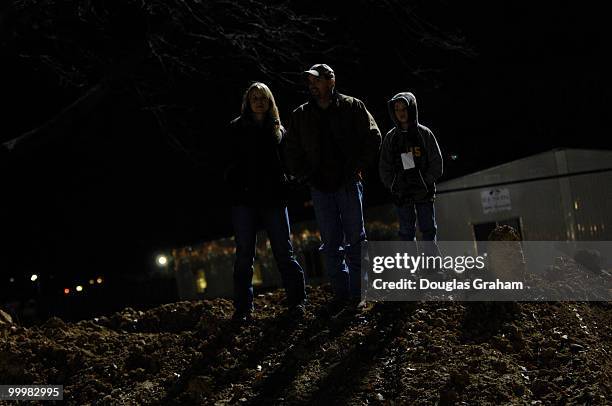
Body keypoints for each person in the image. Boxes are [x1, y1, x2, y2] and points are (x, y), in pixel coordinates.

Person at [285, 64, 381, 305]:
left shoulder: (352, 106)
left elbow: (373, 136)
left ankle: (359, 294)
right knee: (331, 244)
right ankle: (342, 294)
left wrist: (357, 166)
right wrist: (305, 174)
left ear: (331, 81)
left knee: (356, 241)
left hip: (348, 183)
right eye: (310, 81)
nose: (312, 85)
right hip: (320, 187)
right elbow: (291, 148)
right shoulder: (301, 115)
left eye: (317, 80)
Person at [224, 82, 307, 322]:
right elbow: (227, 163)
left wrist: (288, 182)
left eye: (263, 98)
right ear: (248, 103)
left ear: (269, 101)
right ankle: (243, 308)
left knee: (284, 251)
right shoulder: (236, 129)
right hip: (244, 200)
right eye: (254, 98)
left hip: (273, 198)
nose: (259, 101)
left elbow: (289, 162)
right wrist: (236, 186)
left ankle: (297, 301)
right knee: (244, 255)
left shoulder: (278, 130)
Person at [379, 92, 443, 257]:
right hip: (402, 195)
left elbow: (437, 163)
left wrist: (424, 182)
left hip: (423, 193)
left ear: (412, 109)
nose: (401, 112)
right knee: (406, 234)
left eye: (404, 108)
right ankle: (412, 272)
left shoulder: (424, 134)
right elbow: (384, 167)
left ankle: (432, 268)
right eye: (397, 109)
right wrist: (395, 185)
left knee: (428, 231)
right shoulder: (391, 138)